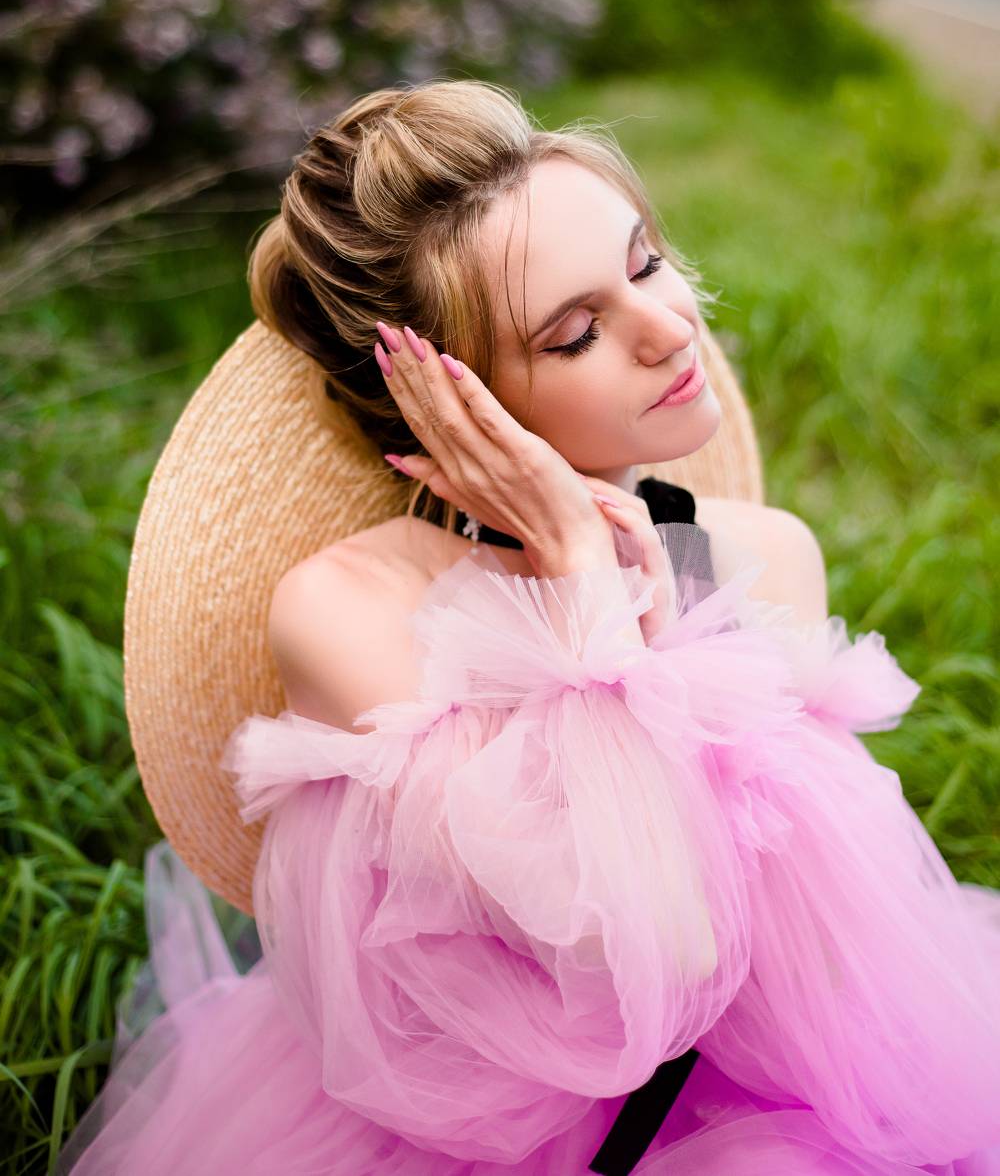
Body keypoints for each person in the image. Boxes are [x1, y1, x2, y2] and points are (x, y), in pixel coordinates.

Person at [56, 79, 1000, 1175]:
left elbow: (815, 964)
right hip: (498, 1133)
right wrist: (581, 576)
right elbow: (657, 953)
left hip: (758, 1094)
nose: (671, 328)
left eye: (645, 263)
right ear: (449, 404)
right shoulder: (355, 611)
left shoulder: (759, 554)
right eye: (577, 333)